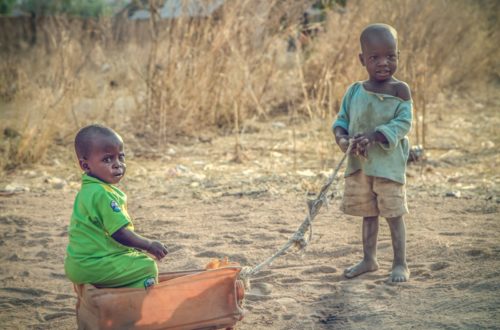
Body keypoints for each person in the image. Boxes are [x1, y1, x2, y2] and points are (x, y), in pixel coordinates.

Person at [332, 23, 412, 282]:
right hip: (361, 167)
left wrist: (374, 136)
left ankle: (400, 264)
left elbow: (403, 124)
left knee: (393, 214)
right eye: (374, 57)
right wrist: (343, 140)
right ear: (362, 59)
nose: (383, 63)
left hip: (388, 167)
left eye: (391, 56)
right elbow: (341, 120)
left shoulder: (400, 90)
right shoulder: (354, 91)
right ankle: (369, 259)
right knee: (369, 214)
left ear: (398, 56)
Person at [64, 124, 169, 289]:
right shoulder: (102, 194)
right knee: (146, 266)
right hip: (93, 264)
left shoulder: (90, 189)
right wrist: (148, 244)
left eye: (121, 157)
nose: (117, 164)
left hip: (81, 262)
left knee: (133, 256)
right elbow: (119, 233)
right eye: (107, 159)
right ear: (85, 166)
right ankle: (136, 306)